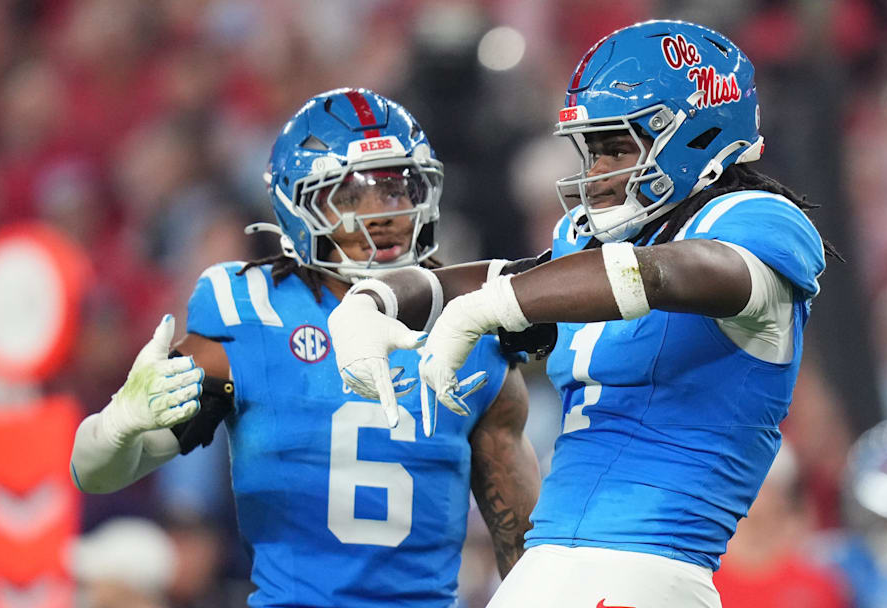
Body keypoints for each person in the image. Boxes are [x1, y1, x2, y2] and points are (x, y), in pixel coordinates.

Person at [327, 21, 837, 607]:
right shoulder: (585, 250)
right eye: (590, 150)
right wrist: (376, 300)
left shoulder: (760, 223)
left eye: (616, 148)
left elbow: (663, 273)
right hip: (551, 568)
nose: (595, 174)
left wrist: (490, 308)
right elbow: (506, 277)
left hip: (646, 569)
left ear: (696, 134)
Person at [69, 88, 540, 608]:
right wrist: (116, 426)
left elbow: (524, 549)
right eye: (349, 195)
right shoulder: (256, 315)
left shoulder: (466, 321)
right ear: (299, 207)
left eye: (392, 190)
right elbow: (96, 473)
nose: (377, 215)